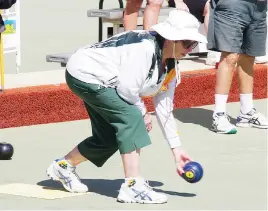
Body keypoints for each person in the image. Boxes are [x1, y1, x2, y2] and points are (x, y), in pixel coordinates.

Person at [46, 10, 207, 204]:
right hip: (84, 73)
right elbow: (127, 90)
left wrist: (177, 150)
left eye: (194, 44)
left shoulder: (171, 67)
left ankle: (63, 166)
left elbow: (164, 110)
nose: (190, 49)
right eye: (187, 43)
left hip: (105, 80)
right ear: (171, 39)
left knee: (110, 138)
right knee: (132, 117)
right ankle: (133, 186)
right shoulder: (144, 48)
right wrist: (143, 113)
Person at [207, 0, 268, 134]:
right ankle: (219, 114)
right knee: (230, 56)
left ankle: (247, 112)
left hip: (260, 7)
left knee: (248, 57)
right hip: (233, 4)